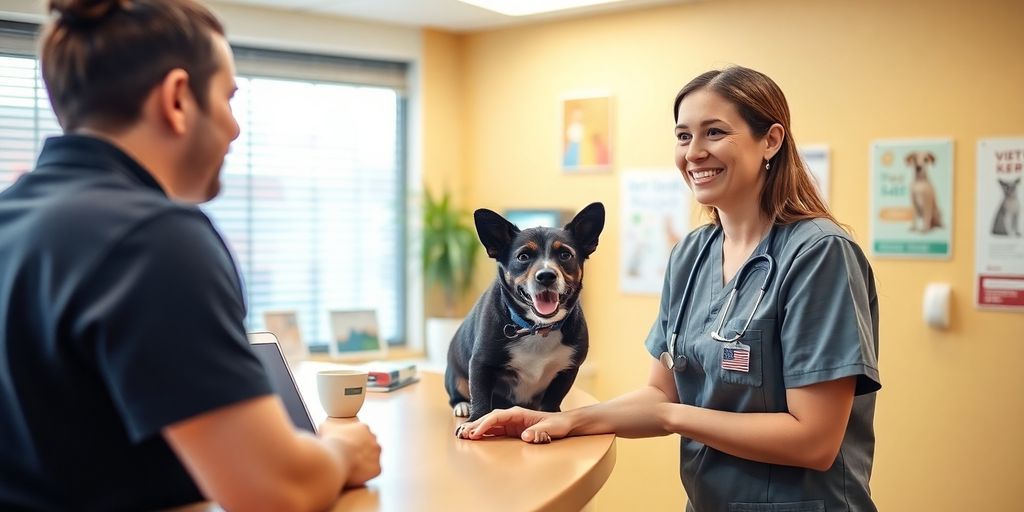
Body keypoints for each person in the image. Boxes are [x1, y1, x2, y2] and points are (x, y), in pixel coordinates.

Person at [0, 1, 380, 511]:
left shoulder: (15, 219)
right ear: (178, 98)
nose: (235, 128)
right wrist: (340, 449)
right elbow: (274, 491)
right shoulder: (153, 238)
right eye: (227, 98)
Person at [458, 66, 881, 511]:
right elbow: (660, 393)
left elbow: (813, 440)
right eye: (683, 137)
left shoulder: (819, 255)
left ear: (771, 141)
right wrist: (559, 420)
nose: (694, 153)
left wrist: (669, 417)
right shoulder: (691, 256)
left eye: (714, 132)